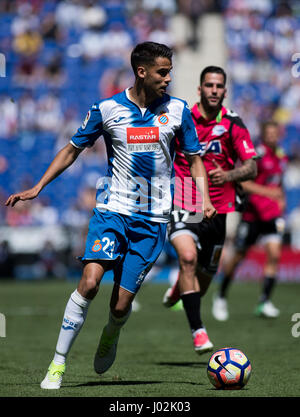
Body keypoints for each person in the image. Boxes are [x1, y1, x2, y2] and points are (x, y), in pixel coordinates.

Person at [5, 42, 216, 389]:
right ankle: (57, 365)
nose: (169, 78)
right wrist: (38, 186)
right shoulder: (106, 108)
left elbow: (193, 160)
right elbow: (72, 149)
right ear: (142, 71)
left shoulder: (178, 111)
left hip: (152, 221)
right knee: (88, 283)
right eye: (163, 72)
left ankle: (111, 333)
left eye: (170, 71)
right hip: (112, 210)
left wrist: (202, 199)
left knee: (119, 307)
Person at [162, 66, 257, 354]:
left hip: (219, 210)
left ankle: (181, 285)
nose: (214, 90)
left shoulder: (234, 124)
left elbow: (251, 166)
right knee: (188, 257)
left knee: (201, 283)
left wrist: (228, 176)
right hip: (185, 200)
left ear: (225, 91)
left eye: (219, 86)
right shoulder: (182, 118)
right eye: (209, 85)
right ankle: (198, 331)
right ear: (200, 89)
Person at [212, 121, 288, 320]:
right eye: (268, 133)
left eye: (274, 133)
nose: (272, 136)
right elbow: (243, 183)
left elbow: (279, 185)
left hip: (272, 215)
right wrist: (269, 193)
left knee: (274, 254)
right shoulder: (257, 155)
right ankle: (220, 296)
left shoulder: (281, 156)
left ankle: (264, 302)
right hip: (252, 214)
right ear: (263, 134)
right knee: (238, 257)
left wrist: (281, 200)